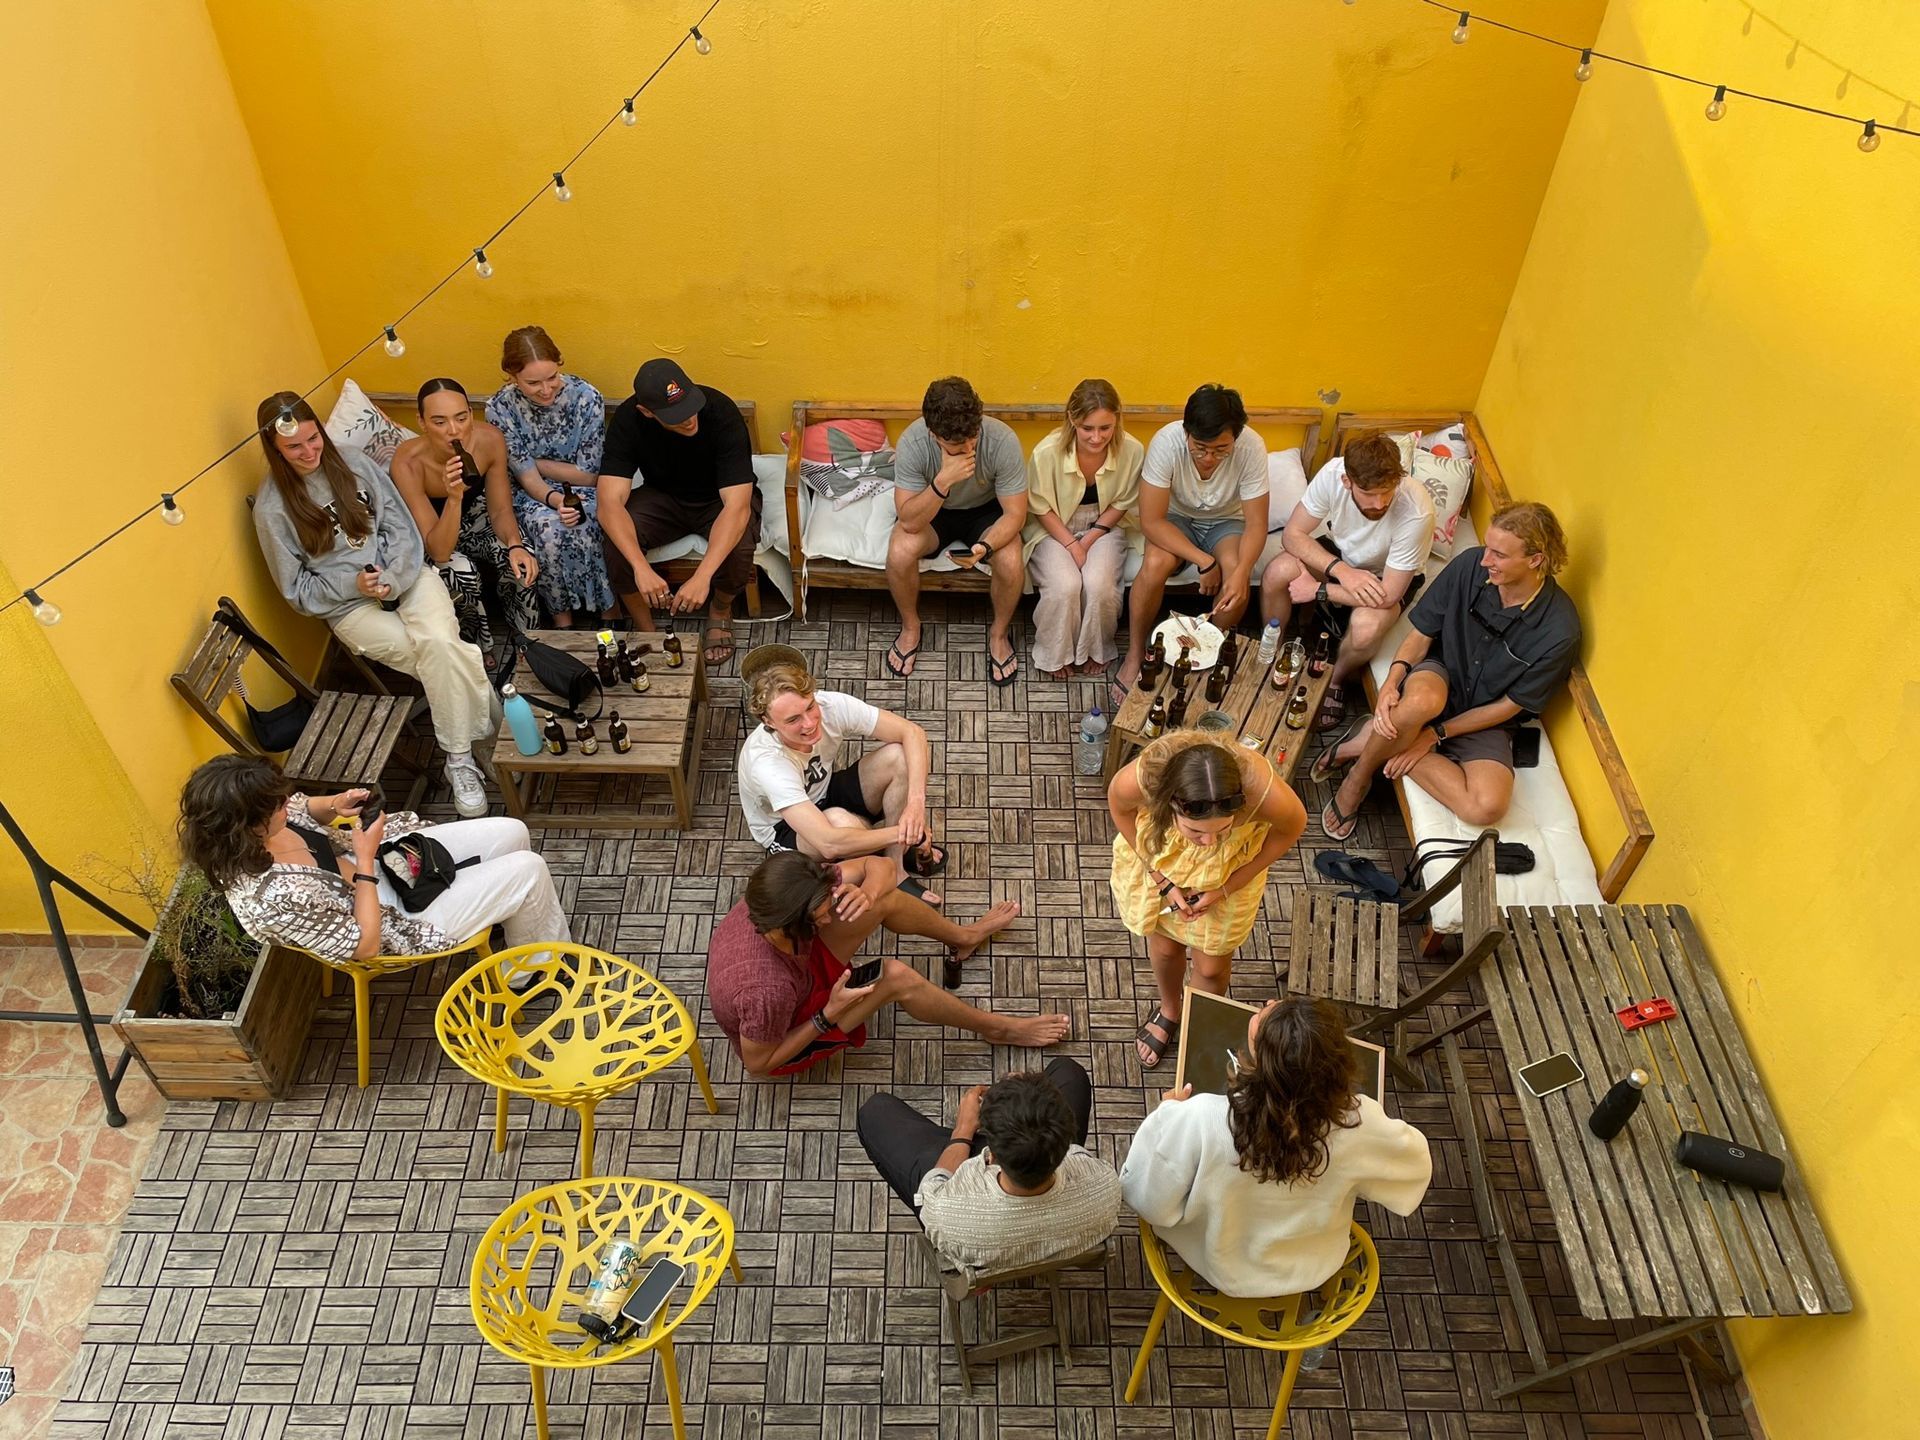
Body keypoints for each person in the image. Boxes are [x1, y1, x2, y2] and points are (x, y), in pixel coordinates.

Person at [252, 392, 496, 818]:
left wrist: (395, 576)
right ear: (274, 450)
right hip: (348, 607)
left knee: (440, 643)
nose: (309, 452)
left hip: (406, 574)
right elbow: (297, 593)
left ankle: (459, 757)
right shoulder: (273, 508)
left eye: (314, 439)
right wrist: (354, 584)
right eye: (295, 447)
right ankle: (487, 736)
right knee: (443, 654)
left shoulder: (353, 463)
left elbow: (402, 527)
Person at [1120, 996, 1432, 1298]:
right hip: (1313, 1266)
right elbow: (1413, 1176)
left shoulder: (1198, 1118)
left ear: (1259, 1067)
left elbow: (1146, 1199)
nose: (1268, 1002)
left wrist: (1165, 1113)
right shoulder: (1359, 1121)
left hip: (1217, 1264)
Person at [1315, 502, 1579, 841]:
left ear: (1535, 560)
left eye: (1499, 555)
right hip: (1440, 675)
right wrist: (1392, 685)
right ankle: (1358, 779)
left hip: (1486, 715)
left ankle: (1369, 741)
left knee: (1486, 808)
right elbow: (1420, 635)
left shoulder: (1560, 630)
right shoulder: (1470, 565)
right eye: (1487, 548)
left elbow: (1509, 707)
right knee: (1421, 701)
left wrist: (1433, 735)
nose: (1486, 560)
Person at [177, 755, 567, 982]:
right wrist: (364, 860)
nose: (285, 803)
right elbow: (364, 946)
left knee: (512, 832)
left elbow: (301, 807)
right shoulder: (270, 899)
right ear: (245, 824)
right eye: (274, 805)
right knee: (529, 870)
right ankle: (529, 974)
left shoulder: (266, 822)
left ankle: (513, 923)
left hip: (382, 866)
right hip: (389, 923)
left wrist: (335, 804)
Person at [706, 851, 1067, 1077]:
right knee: (894, 976)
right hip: (795, 1023)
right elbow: (758, 1064)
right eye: (820, 918)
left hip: (800, 966)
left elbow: (877, 865)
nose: (830, 918)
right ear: (794, 922)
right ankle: (997, 1028)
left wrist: (868, 894)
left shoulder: (783, 893)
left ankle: (963, 937)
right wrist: (827, 1014)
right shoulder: (764, 991)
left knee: (885, 900)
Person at [1108, 731, 1306, 1071]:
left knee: (1212, 967)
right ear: (1170, 802)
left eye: (1222, 829)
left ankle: (1194, 1019)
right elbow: (1119, 808)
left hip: (1232, 872)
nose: (1209, 841)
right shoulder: (1145, 777)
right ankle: (1171, 1009)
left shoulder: (1261, 790)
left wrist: (1227, 887)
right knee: (1166, 946)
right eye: (1196, 831)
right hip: (1165, 862)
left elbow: (1293, 826)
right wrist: (1160, 877)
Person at [856, 1061, 1122, 1280]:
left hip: (977, 1217)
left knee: (874, 1111)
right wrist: (1025, 1100)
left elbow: (932, 1187)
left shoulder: (947, 1213)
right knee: (1069, 1072)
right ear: (1066, 1140)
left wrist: (963, 1130)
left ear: (990, 1156)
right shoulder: (1105, 1185)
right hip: (1059, 1218)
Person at [1259, 432, 1434, 731]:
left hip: (1387, 575)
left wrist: (1317, 590)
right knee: (1277, 572)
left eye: (1387, 491)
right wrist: (1341, 571)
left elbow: (1389, 594)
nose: (1379, 502)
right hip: (1342, 557)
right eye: (1369, 492)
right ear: (1347, 481)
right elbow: (1293, 535)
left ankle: (1334, 680)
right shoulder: (1332, 475)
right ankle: (1272, 651)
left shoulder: (1416, 511)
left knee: (1367, 627)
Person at [596, 358, 759, 666]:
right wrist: (640, 567)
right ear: (646, 412)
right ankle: (647, 629)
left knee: (739, 544)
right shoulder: (629, 421)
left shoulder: (721, 411)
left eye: (689, 407)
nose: (688, 420)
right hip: (663, 496)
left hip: (718, 497)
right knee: (615, 546)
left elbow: (736, 506)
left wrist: (703, 576)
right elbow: (608, 504)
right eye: (675, 416)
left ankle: (720, 612)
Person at [738, 652, 945, 892]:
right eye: (793, 719)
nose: (809, 722)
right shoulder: (767, 764)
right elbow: (828, 843)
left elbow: (912, 733)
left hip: (823, 791)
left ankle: (895, 866)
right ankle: (885, 863)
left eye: (809, 707)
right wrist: (908, 833)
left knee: (899, 755)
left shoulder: (829, 705)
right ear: (769, 722)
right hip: (786, 828)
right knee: (839, 824)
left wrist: (916, 805)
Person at [1117, 385, 1269, 689]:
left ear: (1236, 437)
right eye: (1200, 447)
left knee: (1236, 573)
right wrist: (1203, 560)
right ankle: (1135, 654)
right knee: (1156, 563)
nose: (1209, 458)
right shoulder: (1167, 442)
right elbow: (1151, 520)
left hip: (1227, 521)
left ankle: (1205, 649)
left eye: (1221, 450)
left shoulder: (1252, 447)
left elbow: (1256, 523)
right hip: (1174, 519)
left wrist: (1240, 573)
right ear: (1187, 432)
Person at [884, 377, 1029, 685]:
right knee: (899, 550)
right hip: (934, 508)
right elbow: (909, 520)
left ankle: (999, 634)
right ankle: (911, 627)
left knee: (1011, 559)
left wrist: (985, 548)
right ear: (934, 434)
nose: (968, 448)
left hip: (986, 512)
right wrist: (943, 480)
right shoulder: (913, 443)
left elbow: (1015, 514)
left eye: (973, 437)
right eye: (955, 445)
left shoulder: (1002, 440)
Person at [390, 378, 540, 655]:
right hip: (434, 532)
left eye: (461, 418)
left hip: (477, 518)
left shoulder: (489, 439)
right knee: (459, 571)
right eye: (439, 422)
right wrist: (454, 496)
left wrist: (516, 545)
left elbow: (500, 509)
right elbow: (438, 551)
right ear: (422, 422)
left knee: (519, 556)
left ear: (471, 414)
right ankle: (476, 648)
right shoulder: (407, 462)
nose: (454, 430)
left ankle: (526, 637)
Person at [489, 325, 615, 628]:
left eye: (552, 378)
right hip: (532, 493)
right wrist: (557, 500)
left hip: (585, 488)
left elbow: (589, 474)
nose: (546, 390)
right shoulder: (500, 408)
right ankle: (563, 621)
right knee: (548, 529)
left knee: (591, 520)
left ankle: (610, 612)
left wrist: (531, 461)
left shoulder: (587, 397)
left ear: (560, 364)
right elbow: (526, 479)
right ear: (512, 375)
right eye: (533, 382)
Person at [1022, 378, 1143, 683]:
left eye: (1105, 428)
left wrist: (1088, 540)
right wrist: (1071, 544)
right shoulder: (1046, 452)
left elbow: (1123, 503)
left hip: (1104, 525)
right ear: (1072, 420)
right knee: (1064, 585)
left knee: (1100, 584)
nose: (1096, 437)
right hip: (1053, 526)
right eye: (1088, 428)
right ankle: (1054, 653)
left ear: (1117, 420)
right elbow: (1039, 506)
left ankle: (1095, 648)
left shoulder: (1132, 450)